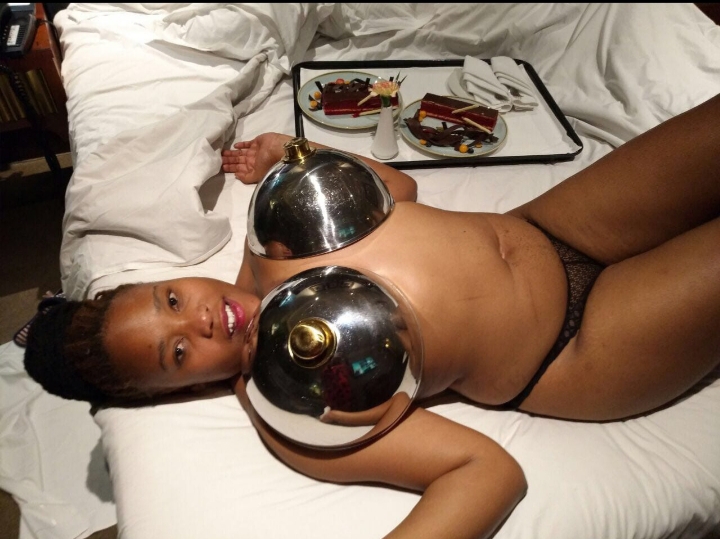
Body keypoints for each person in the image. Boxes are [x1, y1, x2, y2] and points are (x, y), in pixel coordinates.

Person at [23, 93, 720, 539]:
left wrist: (298, 156)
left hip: (548, 223)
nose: (198, 322)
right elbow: (485, 472)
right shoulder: (296, 408)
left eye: (171, 300)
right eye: (176, 353)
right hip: (577, 345)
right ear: (175, 391)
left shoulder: (270, 238)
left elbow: (397, 189)